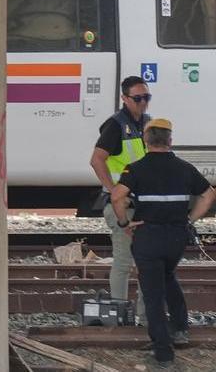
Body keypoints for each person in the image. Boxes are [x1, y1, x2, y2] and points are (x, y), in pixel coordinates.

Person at [111, 118, 216, 366]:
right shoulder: (185, 168)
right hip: (176, 236)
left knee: (153, 294)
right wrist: (190, 219)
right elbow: (209, 194)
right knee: (168, 275)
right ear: (170, 141)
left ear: (146, 141)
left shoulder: (135, 168)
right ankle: (180, 328)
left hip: (148, 236)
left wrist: (125, 224)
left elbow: (117, 197)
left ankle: (163, 352)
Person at [89, 75, 151, 321]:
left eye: (147, 97)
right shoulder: (115, 125)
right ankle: (120, 316)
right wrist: (114, 190)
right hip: (123, 205)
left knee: (146, 264)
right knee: (125, 262)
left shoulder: (145, 122)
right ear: (125, 98)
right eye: (138, 98)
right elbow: (96, 160)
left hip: (141, 204)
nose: (143, 103)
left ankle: (144, 318)